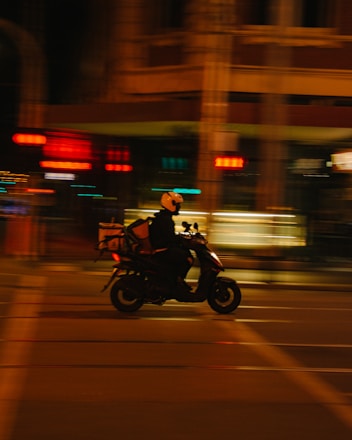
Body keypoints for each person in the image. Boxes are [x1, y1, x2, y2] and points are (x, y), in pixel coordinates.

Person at [149, 191, 194, 291]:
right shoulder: (165, 220)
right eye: (178, 205)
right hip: (161, 250)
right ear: (171, 204)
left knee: (182, 252)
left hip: (161, 247)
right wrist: (182, 239)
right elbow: (170, 238)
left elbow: (168, 236)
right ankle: (178, 281)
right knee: (188, 258)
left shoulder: (163, 217)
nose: (179, 207)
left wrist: (179, 238)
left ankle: (175, 280)